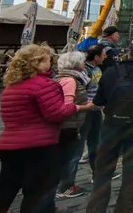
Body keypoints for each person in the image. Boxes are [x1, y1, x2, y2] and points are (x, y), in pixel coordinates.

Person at [0, 44, 90, 213]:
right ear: (38, 63)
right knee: (37, 193)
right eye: (48, 60)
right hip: (38, 146)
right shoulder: (44, 85)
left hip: (9, 145)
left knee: (4, 192)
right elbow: (56, 114)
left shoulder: (11, 86)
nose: (52, 63)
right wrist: (79, 108)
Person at [86, 42, 133, 213]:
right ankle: (124, 208)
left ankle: (96, 208)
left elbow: (99, 101)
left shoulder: (112, 71)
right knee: (132, 170)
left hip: (111, 125)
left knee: (103, 170)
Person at [55, 51, 92, 199]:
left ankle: (63, 184)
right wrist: (86, 106)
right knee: (72, 155)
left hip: (68, 123)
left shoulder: (60, 77)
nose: (84, 64)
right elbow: (67, 105)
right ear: (76, 65)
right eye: (82, 62)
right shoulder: (70, 80)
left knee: (68, 154)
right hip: (71, 124)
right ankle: (66, 186)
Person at [78, 45, 107, 175]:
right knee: (80, 144)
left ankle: (97, 172)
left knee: (96, 141)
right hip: (85, 110)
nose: (105, 56)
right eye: (103, 54)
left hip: (96, 110)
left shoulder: (97, 69)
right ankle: (66, 185)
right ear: (96, 57)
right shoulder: (84, 71)